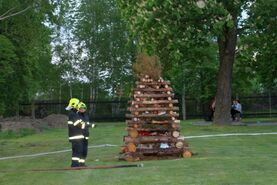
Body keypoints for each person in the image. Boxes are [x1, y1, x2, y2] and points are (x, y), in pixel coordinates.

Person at [65, 98, 85, 167]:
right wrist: (83, 124)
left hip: (76, 136)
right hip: (76, 136)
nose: (78, 107)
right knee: (77, 151)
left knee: (78, 151)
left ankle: (77, 164)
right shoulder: (73, 114)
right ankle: (75, 165)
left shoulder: (73, 114)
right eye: (77, 105)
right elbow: (77, 123)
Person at [76, 102, 90, 167]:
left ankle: (82, 163)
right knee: (80, 150)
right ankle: (77, 163)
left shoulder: (86, 116)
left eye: (83, 108)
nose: (82, 109)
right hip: (79, 136)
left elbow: (87, 124)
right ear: (78, 109)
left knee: (85, 151)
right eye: (81, 108)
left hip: (86, 135)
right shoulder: (77, 116)